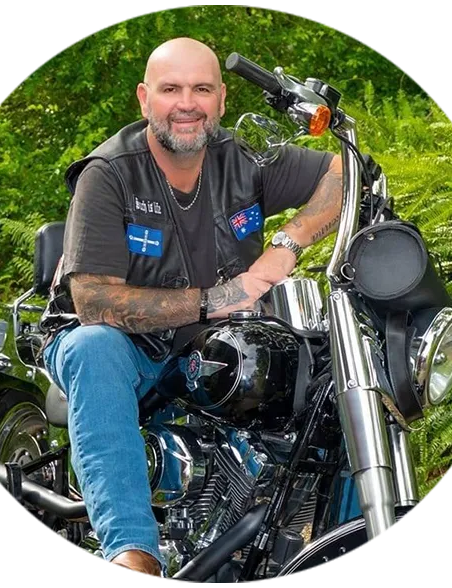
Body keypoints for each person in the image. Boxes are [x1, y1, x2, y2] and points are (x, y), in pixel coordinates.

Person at [40, 37, 342, 580]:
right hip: (122, 344)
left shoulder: (243, 159)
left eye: (201, 89)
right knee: (95, 347)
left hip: (206, 345)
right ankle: (133, 551)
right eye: (171, 89)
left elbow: (342, 173)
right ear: (144, 99)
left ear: (222, 99)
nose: (187, 104)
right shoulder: (108, 173)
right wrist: (218, 298)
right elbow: (93, 302)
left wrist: (287, 244)